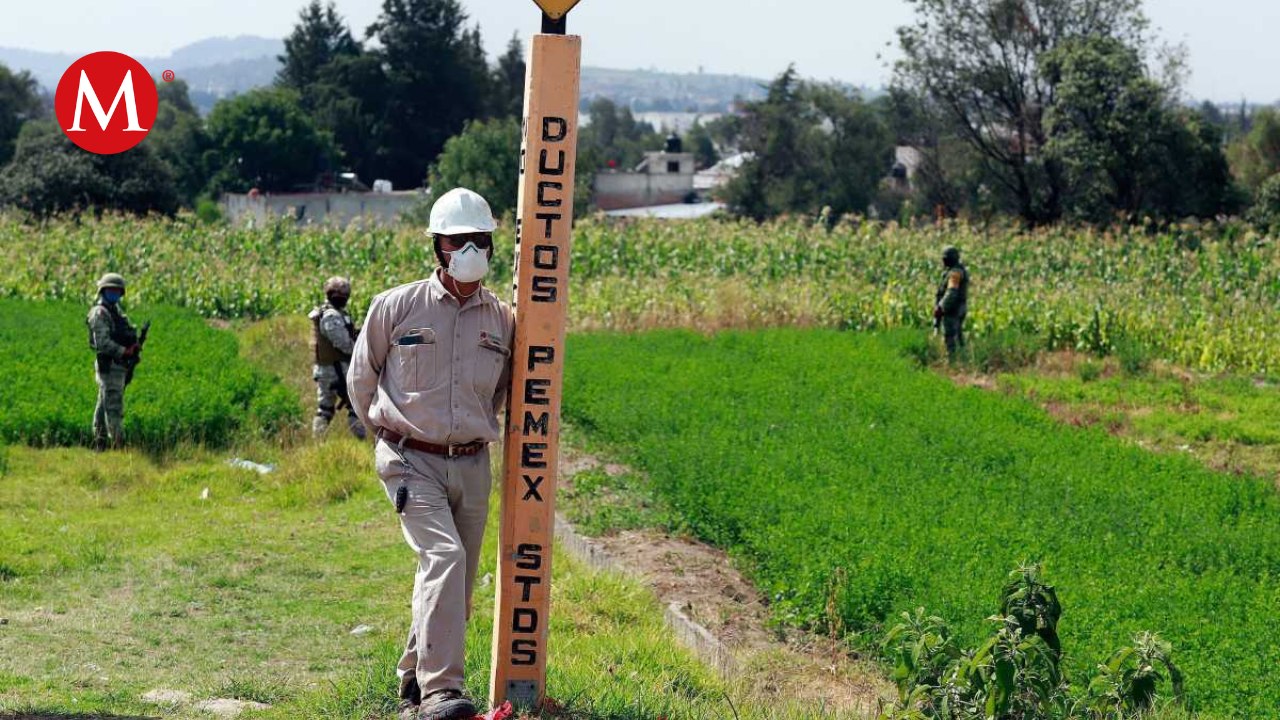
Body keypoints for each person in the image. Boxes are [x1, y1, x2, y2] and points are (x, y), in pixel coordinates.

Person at [348, 188, 514, 720]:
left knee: (456, 580)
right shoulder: (396, 307)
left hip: (471, 462)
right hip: (409, 458)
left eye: (480, 240)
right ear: (438, 247)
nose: (471, 249)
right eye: (458, 240)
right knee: (444, 558)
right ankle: (442, 691)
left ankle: (412, 678)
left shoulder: (503, 320)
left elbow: (504, 390)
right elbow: (361, 378)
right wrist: (384, 436)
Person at [87, 273, 139, 450]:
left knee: (103, 404)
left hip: (119, 365)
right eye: (111, 290)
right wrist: (124, 351)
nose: (114, 293)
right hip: (109, 365)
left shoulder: (116, 312)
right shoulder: (99, 313)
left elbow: (125, 332)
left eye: (117, 290)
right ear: (103, 291)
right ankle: (118, 447)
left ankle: (99, 445)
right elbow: (102, 342)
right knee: (114, 408)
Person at [310, 277, 367, 440]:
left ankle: (318, 443)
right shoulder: (331, 316)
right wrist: (361, 349)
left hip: (329, 369)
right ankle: (360, 441)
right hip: (337, 370)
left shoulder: (333, 314)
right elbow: (344, 344)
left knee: (325, 409)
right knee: (356, 406)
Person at [934, 245, 970, 358]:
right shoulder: (957, 270)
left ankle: (952, 361)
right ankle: (962, 358)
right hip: (959, 308)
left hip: (953, 310)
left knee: (950, 337)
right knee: (958, 335)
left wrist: (941, 307)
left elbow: (951, 292)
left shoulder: (955, 273)